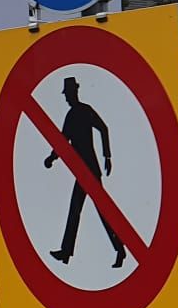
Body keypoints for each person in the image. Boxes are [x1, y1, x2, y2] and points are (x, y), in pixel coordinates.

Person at [44, 74, 124, 268]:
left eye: (68, 93)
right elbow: (63, 142)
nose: (66, 97)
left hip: (89, 170)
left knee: (101, 213)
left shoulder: (80, 112)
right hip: (83, 171)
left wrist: (108, 156)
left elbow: (103, 128)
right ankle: (66, 252)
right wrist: (52, 158)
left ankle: (120, 250)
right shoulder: (75, 113)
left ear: (74, 93)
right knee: (78, 211)